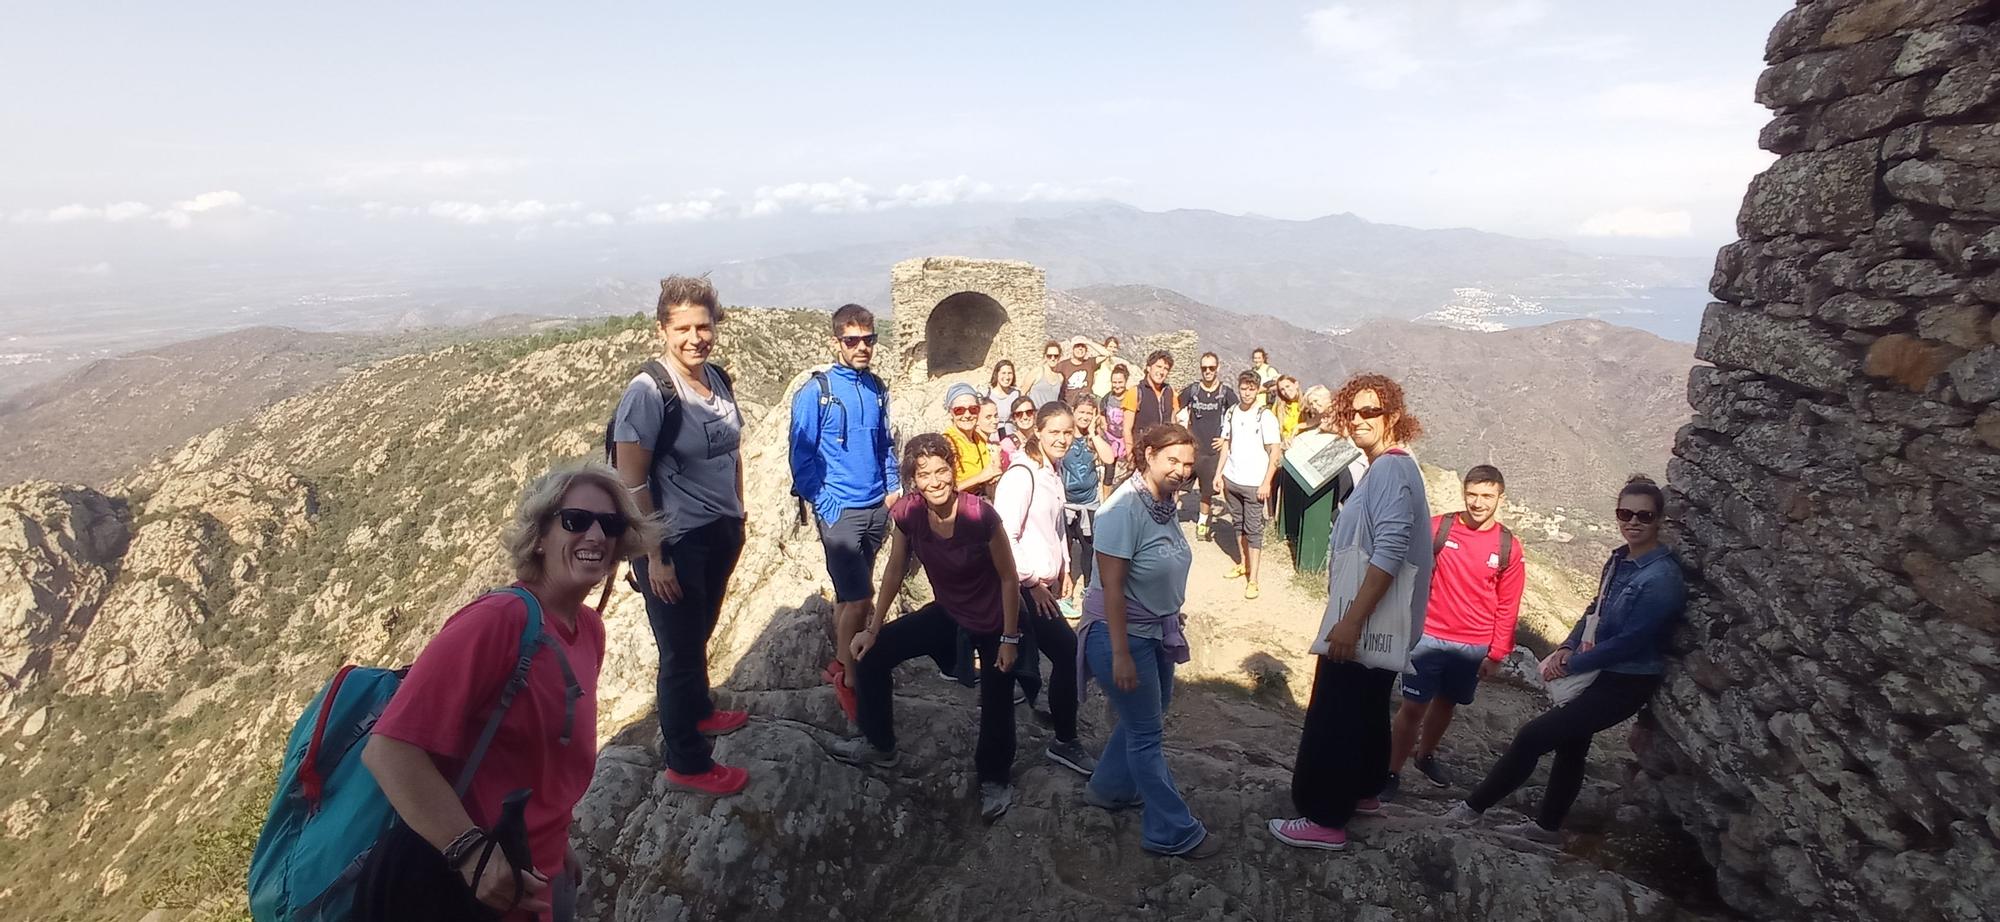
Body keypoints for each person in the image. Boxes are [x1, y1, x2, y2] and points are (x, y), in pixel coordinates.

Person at [358, 463, 658, 921]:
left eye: (611, 524)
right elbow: (389, 750)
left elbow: (541, 762)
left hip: (543, 873)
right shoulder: (498, 621)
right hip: (478, 889)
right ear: (539, 537)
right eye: (576, 521)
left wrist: (559, 843)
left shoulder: (589, 630)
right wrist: (471, 853)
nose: (596, 535)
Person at [836, 434, 1092, 822]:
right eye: (925, 475)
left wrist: (1009, 639)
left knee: (997, 696)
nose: (936, 481)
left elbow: (1009, 579)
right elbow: (894, 567)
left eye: (942, 471)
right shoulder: (908, 513)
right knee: (874, 655)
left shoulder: (979, 516)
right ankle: (879, 743)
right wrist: (873, 627)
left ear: (954, 472)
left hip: (995, 619)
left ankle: (994, 777)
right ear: (913, 479)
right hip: (950, 611)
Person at [1447, 475, 1685, 844]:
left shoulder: (1661, 578)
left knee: (1533, 736)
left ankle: (1471, 811)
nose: (1633, 522)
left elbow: (1632, 642)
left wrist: (1572, 664)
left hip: (1626, 680)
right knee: (1573, 744)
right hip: (1599, 669)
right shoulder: (1619, 559)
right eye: (1626, 513)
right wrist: (1565, 647)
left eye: (1644, 516)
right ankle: (1547, 828)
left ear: (1659, 520)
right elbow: (1596, 611)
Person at [1270, 373, 1431, 852]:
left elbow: (1390, 549)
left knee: (1335, 714)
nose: (1360, 420)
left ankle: (1323, 815)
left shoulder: (1390, 470)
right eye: (1353, 412)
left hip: (1365, 622)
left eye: (1371, 412)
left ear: (1393, 417)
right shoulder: (1394, 467)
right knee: (1365, 708)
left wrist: (1351, 621)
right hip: (1381, 624)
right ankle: (1363, 792)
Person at [610, 275, 751, 796]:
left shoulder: (718, 379)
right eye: (684, 328)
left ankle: (701, 712)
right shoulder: (649, 393)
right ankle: (685, 762)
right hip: (673, 543)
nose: (696, 337)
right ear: (662, 330)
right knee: (679, 652)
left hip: (719, 530)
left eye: (704, 326)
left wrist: (739, 510)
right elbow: (631, 481)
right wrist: (655, 556)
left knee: (699, 634)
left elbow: (731, 450)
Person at [1077, 423, 1220, 858]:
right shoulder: (1123, 509)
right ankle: (1170, 830)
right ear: (1148, 456)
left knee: (1147, 718)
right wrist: (1121, 654)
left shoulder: (1161, 502)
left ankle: (1108, 787)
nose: (1180, 470)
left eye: (1188, 465)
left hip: (1155, 631)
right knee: (1146, 734)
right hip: (1122, 635)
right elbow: (1113, 588)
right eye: (1171, 460)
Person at [1380, 465, 1525, 803]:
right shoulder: (1438, 529)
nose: (1478, 503)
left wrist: (1497, 653)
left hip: (1473, 645)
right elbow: (1408, 572)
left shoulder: (1508, 547)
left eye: (1487, 496)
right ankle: (1391, 771)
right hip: (1428, 635)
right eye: (1472, 494)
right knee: (1413, 707)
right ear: (1463, 493)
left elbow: (1508, 603)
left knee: (1446, 703)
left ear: (1500, 498)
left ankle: (1425, 755)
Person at [788, 304, 898, 722]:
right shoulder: (817, 392)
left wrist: (890, 491)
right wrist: (827, 504)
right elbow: (801, 457)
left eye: (869, 339)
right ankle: (852, 682)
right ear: (837, 343)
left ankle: (839, 659)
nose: (863, 347)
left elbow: (884, 444)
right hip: (841, 511)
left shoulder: (876, 388)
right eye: (853, 340)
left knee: (848, 595)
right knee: (861, 598)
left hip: (874, 507)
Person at [993, 403, 1097, 764]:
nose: (1062, 439)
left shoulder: (1050, 471)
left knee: (1033, 656)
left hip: (1042, 583)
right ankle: (1064, 741)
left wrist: (1065, 568)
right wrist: (1033, 581)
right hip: (1024, 587)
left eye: (1068, 432)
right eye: (1054, 431)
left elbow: (1054, 527)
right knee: (1067, 653)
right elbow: (1005, 534)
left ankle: (1041, 709)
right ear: (1037, 431)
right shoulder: (1022, 474)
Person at [1213, 370, 1281, 600]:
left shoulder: (1265, 416)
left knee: (1254, 530)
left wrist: (1266, 482)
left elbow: (1275, 451)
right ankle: (1244, 564)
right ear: (1239, 387)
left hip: (1254, 483)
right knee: (1238, 524)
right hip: (1232, 479)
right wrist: (1219, 473)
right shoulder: (1231, 412)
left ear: (1257, 389)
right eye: (1244, 387)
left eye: (1252, 388)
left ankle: (1254, 580)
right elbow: (1226, 444)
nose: (1247, 392)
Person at [1061, 396, 1117, 613]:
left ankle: (1087, 588)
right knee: (1064, 550)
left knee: (1088, 549)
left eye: (1089, 413)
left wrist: (1093, 434)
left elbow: (1109, 458)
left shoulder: (1094, 440)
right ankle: (1065, 593)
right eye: (1081, 412)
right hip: (1066, 505)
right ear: (1073, 412)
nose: (1084, 416)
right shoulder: (1064, 437)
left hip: (1089, 505)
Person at [1177, 352, 1235, 541]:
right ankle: (1168, 519)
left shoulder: (1225, 393)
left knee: (1206, 492)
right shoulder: (1193, 391)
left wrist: (1227, 439)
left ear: (1217, 368)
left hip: (1212, 452)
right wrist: (1179, 433)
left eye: (1211, 368)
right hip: (1192, 450)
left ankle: (1202, 524)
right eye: (1204, 368)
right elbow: (1174, 406)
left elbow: (1239, 414)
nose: (1207, 371)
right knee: (1176, 485)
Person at [944, 383, 1002, 497]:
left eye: (973, 409)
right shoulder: (948, 443)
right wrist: (979, 478)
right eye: (959, 410)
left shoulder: (979, 439)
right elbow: (943, 490)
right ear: (951, 412)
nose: (967, 415)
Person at [1120, 350, 1178, 453]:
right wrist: (1130, 453)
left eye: (1166, 369)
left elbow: (1173, 423)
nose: (1161, 372)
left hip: (1164, 451)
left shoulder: (1170, 392)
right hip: (1142, 450)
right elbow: (1127, 429)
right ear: (1148, 368)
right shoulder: (1136, 392)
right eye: (1158, 366)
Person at [1099, 364, 1131, 496]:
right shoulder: (1107, 398)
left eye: (1120, 382)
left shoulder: (1131, 397)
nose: (1117, 385)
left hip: (1125, 439)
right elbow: (1101, 412)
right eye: (1114, 382)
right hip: (1110, 439)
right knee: (1109, 471)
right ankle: (1106, 500)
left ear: (1126, 381)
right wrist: (1104, 424)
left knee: (1130, 470)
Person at [1055, 337, 1102, 406]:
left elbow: (1106, 354)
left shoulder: (1090, 363)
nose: (1080, 349)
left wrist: (1088, 342)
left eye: (1083, 346)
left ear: (1086, 350)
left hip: (1086, 405)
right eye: (1077, 346)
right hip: (1068, 405)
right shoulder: (1063, 365)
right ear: (1073, 349)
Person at [986, 359, 1022, 431]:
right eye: (1003, 373)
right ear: (996, 374)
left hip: (1011, 435)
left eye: (1010, 373)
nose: (1007, 377)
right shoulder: (987, 394)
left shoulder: (1017, 395)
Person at [1027, 340, 1064, 408]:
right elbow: (1023, 393)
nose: (1053, 359)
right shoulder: (1037, 372)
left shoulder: (1060, 378)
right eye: (1049, 356)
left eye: (1056, 356)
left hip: (1051, 416)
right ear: (1045, 356)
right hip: (1036, 415)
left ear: (1059, 357)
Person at [1002, 395, 1036, 467]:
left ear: (1034, 414)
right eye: (1019, 414)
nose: (1025, 417)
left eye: (1029, 412)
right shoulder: (1007, 444)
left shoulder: (1042, 439)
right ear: (1014, 418)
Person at [1274, 375, 1305, 443]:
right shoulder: (1279, 406)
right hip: (1287, 444)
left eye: (1288, 386)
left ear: (1296, 384)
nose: (1286, 391)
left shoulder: (1307, 403)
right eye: (1282, 389)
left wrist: (1299, 427)